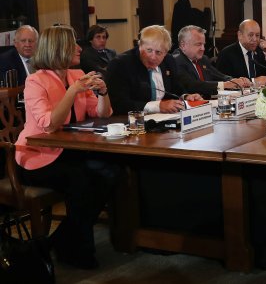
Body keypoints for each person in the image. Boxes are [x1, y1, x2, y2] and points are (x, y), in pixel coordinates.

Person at [14, 25, 115, 269]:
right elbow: (48, 125)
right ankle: (78, 252)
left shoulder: (76, 74)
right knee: (81, 181)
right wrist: (72, 91)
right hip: (36, 157)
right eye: (73, 44)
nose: (80, 48)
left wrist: (103, 92)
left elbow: (102, 113)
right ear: (59, 49)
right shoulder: (35, 81)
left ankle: (57, 242)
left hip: (67, 151)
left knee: (111, 173)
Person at [105, 25, 202, 115]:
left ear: (166, 52)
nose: (153, 57)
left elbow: (175, 88)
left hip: (164, 119)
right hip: (131, 122)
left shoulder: (169, 60)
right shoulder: (121, 64)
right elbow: (118, 104)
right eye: (149, 50)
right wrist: (157, 106)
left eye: (159, 52)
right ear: (140, 46)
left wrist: (186, 97)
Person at [173, 25, 251, 98]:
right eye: (198, 44)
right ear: (183, 45)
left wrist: (235, 81)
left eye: (204, 44)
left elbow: (219, 75)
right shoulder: (176, 61)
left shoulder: (203, 59)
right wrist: (226, 84)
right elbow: (192, 85)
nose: (203, 48)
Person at [216, 19, 266, 88]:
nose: (255, 39)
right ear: (240, 35)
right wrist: (254, 81)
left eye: (257, 35)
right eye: (251, 35)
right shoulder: (227, 54)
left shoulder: (259, 52)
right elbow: (225, 82)